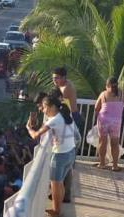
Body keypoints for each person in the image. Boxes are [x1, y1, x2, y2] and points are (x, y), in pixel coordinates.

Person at [26, 94, 77, 217]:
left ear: (51, 106)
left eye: (44, 107)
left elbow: (35, 135)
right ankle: (58, 208)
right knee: (60, 184)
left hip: (60, 155)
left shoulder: (54, 120)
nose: (42, 110)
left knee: (55, 184)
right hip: (70, 152)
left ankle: (56, 211)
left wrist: (28, 128)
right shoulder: (65, 115)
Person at [51, 70, 77, 203]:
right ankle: (62, 193)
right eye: (53, 78)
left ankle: (65, 194)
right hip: (70, 119)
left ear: (64, 77)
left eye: (56, 78)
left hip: (71, 120)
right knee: (68, 161)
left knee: (66, 161)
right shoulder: (64, 85)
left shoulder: (65, 89)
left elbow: (60, 106)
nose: (54, 80)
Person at [93, 77, 124, 171]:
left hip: (103, 120)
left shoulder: (103, 94)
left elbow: (96, 108)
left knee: (102, 142)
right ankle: (115, 166)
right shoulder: (122, 93)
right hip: (116, 121)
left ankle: (102, 164)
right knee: (115, 143)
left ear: (107, 85)